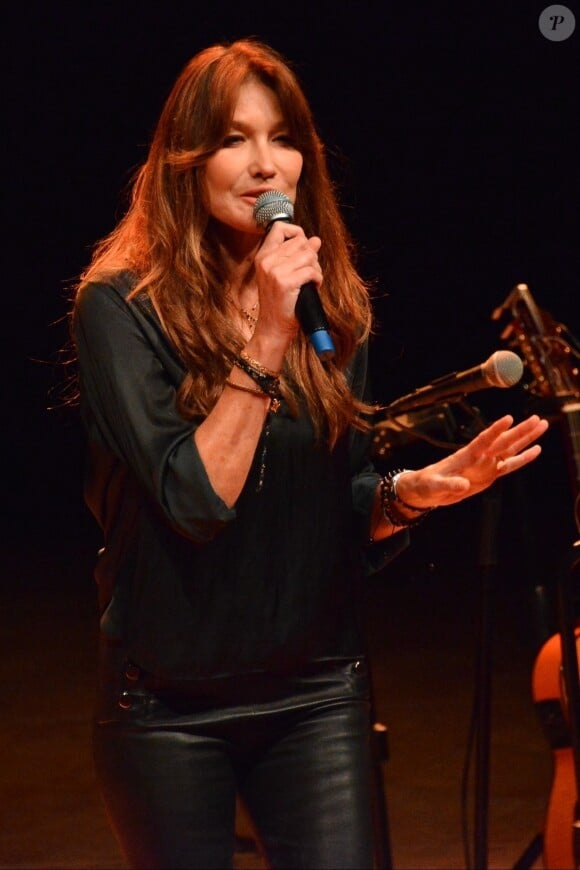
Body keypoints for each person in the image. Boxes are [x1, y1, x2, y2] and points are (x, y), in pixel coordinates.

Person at [71, 38, 548, 870]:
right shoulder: (120, 308)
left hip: (316, 690)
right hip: (165, 703)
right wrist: (265, 333)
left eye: (282, 137)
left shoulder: (334, 310)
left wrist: (413, 490)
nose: (264, 165)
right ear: (184, 159)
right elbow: (195, 502)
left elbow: (334, 495)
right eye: (231, 139)